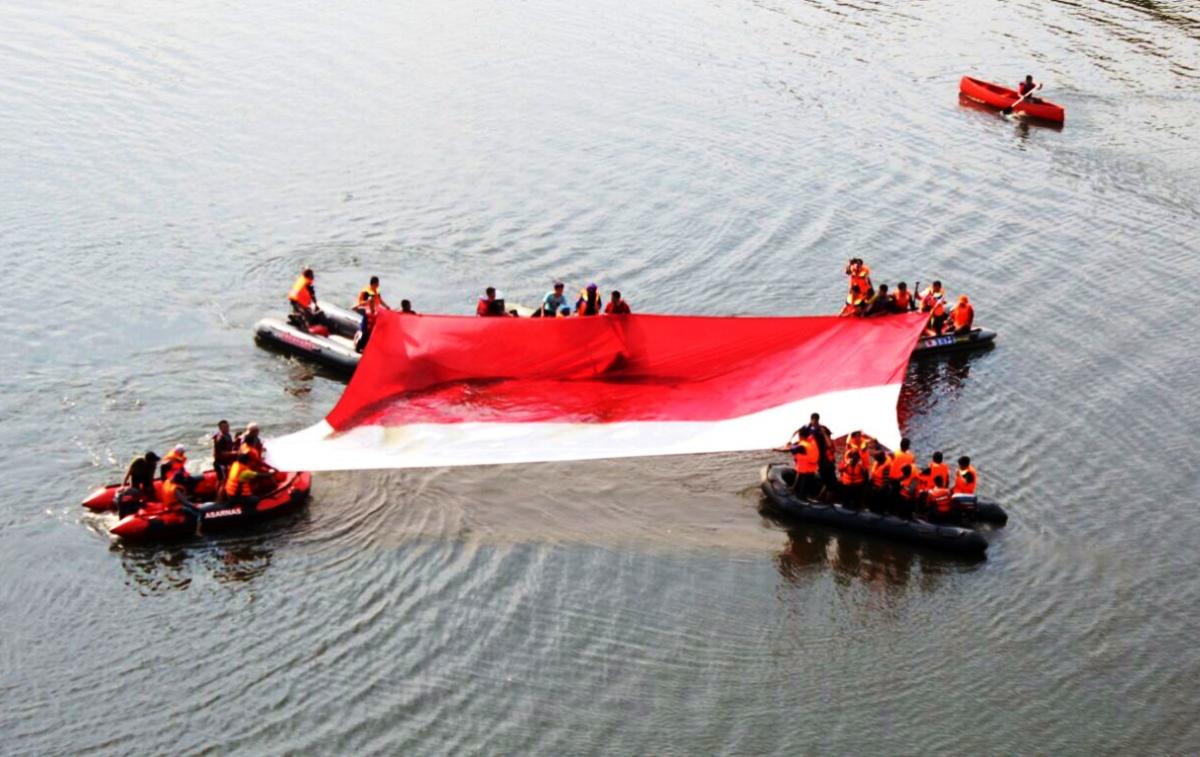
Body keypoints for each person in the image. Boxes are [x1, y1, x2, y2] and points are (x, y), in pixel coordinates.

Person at [786, 428, 821, 499]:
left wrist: (777, 449)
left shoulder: (803, 445)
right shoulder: (811, 442)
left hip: (805, 470)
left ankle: (801, 498)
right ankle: (801, 494)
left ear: (801, 436)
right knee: (805, 486)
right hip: (811, 469)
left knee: (802, 489)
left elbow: (792, 449)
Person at [803, 413, 836, 488]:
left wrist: (824, 434)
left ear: (818, 420)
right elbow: (800, 433)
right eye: (813, 420)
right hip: (813, 452)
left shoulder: (822, 429)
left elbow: (829, 442)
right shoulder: (808, 427)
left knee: (825, 471)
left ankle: (826, 488)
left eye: (815, 420)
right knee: (813, 470)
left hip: (822, 452)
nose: (814, 422)